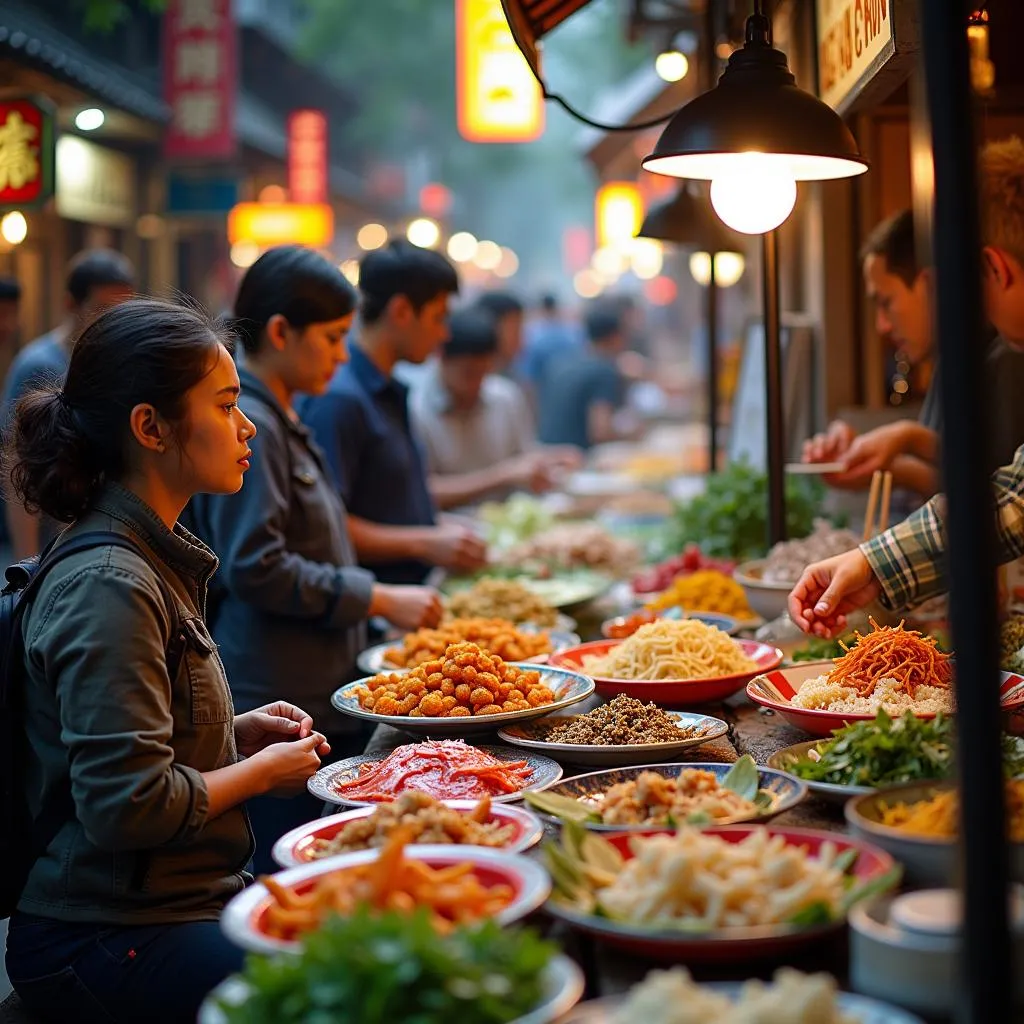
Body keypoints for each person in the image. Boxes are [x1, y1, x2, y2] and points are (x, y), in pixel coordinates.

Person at [4, 298, 330, 1022]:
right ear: (151, 427)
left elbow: (142, 738)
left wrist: (232, 734)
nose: (246, 427)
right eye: (224, 405)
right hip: (100, 936)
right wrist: (259, 774)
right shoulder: (111, 585)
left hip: (170, 907)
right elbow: (127, 808)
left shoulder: (150, 556)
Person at [186, 247, 443, 871]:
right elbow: (256, 566)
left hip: (313, 692)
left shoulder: (285, 420)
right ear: (280, 332)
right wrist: (377, 597)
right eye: (330, 338)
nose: (340, 354)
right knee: (292, 863)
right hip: (277, 698)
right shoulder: (260, 429)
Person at [789, 137, 1024, 638]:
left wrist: (872, 562)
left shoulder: (1002, 355)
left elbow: (1003, 502)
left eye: (886, 302)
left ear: (995, 269)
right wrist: (895, 453)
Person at [301, 240, 487, 585]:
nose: (444, 333)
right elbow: (325, 524)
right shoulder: (341, 398)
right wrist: (425, 542)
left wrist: (440, 531)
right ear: (401, 311)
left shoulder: (388, 389)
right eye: (438, 317)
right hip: (376, 609)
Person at [802, 209, 1024, 497]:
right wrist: (878, 460)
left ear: (929, 284)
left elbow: (1003, 504)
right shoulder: (953, 362)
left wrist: (909, 438)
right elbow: (963, 484)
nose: (881, 325)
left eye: (886, 302)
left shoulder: (1008, 356)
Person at [3, 248, 135, 559]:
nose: (111, 321)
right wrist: (28, 568)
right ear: (70, 304)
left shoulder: (123, 364)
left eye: (121, 310)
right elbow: (20, 473)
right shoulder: (38, 366)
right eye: (101, 309)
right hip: (56, 548)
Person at [410, 306, 580, 509]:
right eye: (468, 373)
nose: (477, 383)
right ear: (440, 358)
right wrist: (502, 475)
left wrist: (551, 459)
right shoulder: (416, 409)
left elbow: (522, 456)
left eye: (484, 372)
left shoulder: (504, 396)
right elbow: (423, 491)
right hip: (452, 530)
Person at [537, 302, 640, 449]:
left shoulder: (560, 362)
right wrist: (634, 434)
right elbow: (601, 432)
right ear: (615, 336)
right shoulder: (603, 370)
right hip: (576, 459)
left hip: (544, 454)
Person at [517, 292, 583, 397]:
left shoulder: (532, 333)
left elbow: (528, 376)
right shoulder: (571, 331)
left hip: (542, 388)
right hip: (570, 388)